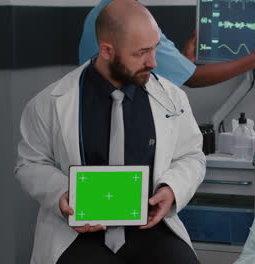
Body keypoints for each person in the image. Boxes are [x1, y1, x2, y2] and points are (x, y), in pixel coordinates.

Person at [15, 2, 205, 263]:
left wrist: (171, 190)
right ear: (107, 50)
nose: (153, 62)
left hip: (150, 228)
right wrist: (62, 195)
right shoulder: (50, 102)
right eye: (141, 53)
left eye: (154, 49)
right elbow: (30, 164)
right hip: (78, 232)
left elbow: (192, 156)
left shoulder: (172, 99)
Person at [79, 0, 255, 88]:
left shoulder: (103, 12)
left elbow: (156, 79)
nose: (151, 62)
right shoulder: (126, 22)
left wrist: (183, 62)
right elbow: (193, 79)